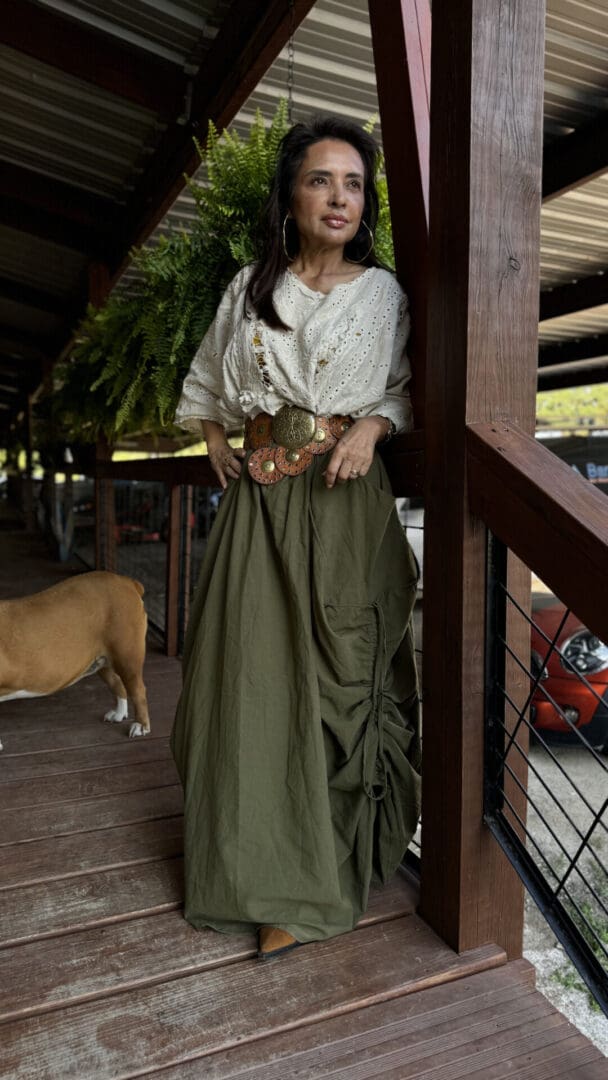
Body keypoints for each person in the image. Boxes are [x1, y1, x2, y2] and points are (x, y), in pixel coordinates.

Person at [171, 115, 421, 961]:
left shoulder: (382, 294)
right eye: (322, 180)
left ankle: (320, 875)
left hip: (345, 505)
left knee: (336, 681)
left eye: (354, 184)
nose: (339, 198)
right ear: (290, 196)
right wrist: (214, 441)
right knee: (249, 686)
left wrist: (375, 427)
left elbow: (403, 389)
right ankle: (250, 873)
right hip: (260, 510)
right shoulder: (248, 288)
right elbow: (208, 379)